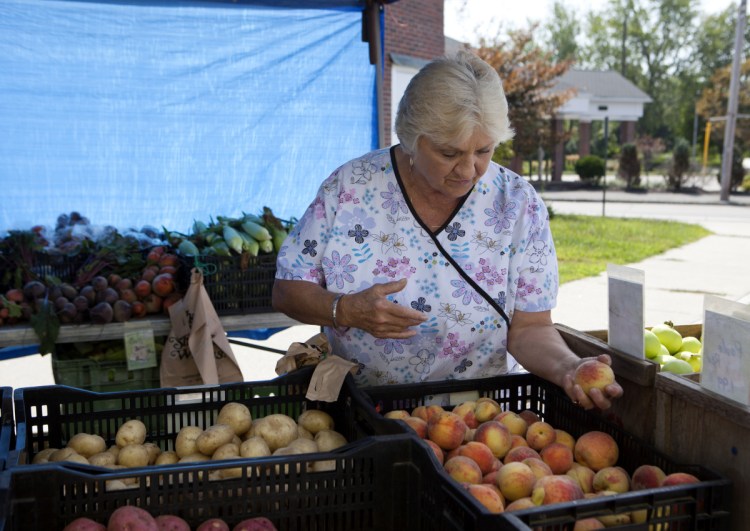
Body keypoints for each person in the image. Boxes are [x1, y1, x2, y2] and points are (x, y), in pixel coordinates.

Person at [272, 51, 622, 410]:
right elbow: (287, 290)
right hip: (364, 408)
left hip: (479, 420)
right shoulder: (350, 188)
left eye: (483, 150)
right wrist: (344, 310)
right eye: (449, 153)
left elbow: (531, 328)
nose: (468, 170)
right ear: (411, 138)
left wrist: (568, 367)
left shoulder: (518, 204)